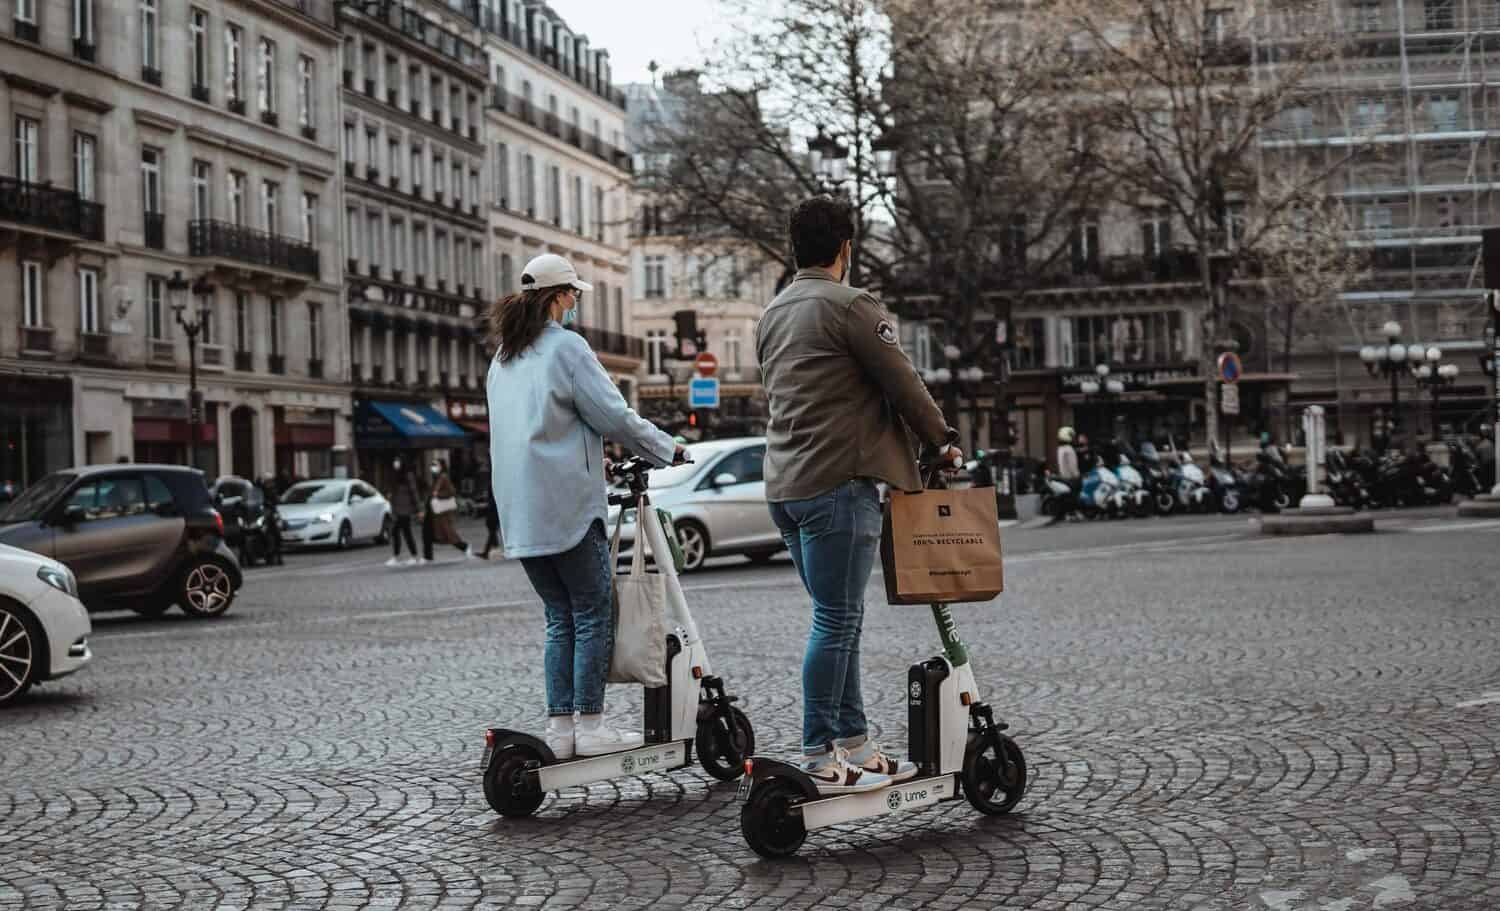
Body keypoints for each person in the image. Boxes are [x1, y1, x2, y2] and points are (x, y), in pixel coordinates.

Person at [756, 195, 962, 795]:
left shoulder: (773, 312)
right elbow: (905, 385)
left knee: (839, 620)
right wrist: (941, 440)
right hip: (838, 483)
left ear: (795, 248)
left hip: (786, 487)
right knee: (837, 619)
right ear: (847, 247)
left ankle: (857, 745)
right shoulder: (851, 306)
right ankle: (819, 750)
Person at [487, 252, 682, 760]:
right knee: (594, 612)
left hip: (521, 512)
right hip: (567, 506)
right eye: (573, 293)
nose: (576, 302)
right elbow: (612, 416)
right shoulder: (567, 349)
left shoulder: (504, 357)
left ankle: (560, 727)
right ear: (557, 297)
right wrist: (668, 448)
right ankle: (591, 725)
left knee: (559, 616)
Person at [422, 460, 472, 562]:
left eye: (435, 465)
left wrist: (438, 495)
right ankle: (428, 557)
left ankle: (464, 546)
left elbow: (451, 491)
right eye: (432, 465)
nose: (433, 467)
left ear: (441, 467)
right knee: (427, 534)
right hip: (432, 512)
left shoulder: (443, 477)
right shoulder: (436, 478)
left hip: (441, 513)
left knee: (448, 535)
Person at [385, 457, 422, 567]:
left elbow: (414, 492)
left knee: (402, 532)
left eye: (398, 462)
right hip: (397, 509)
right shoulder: (395, 476)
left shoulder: (408, 476)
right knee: (400, 533)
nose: (396, 464)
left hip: (405, 510)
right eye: (395, 462)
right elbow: (393, 492)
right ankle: (404, 556)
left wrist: (419, 509)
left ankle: (408, 556)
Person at [255, 474, 284, 566]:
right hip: (261, 512)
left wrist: (272, 503)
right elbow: (254, 499)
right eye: (266, 481)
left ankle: (278, 554)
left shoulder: (272, 490)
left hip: (270, 512)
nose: (268, 483)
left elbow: (276, 500)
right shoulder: (258, 490)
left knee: (275, 530)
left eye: (268, 481)